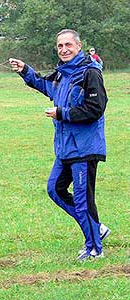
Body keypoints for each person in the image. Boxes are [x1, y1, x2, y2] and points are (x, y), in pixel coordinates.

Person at [8, 29, 110, 261]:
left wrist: (62, 113)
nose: (64, 50)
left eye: (68, 45)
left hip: (84, 149)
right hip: (65, 148)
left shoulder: (90, 73)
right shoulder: (62, 74)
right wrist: (25, 71)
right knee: (55, 189)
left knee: (84, 201)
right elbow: (46, 87)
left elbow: (95, 109)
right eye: (60, 46)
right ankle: (97, 229)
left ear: (79, 46)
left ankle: (94, 248)